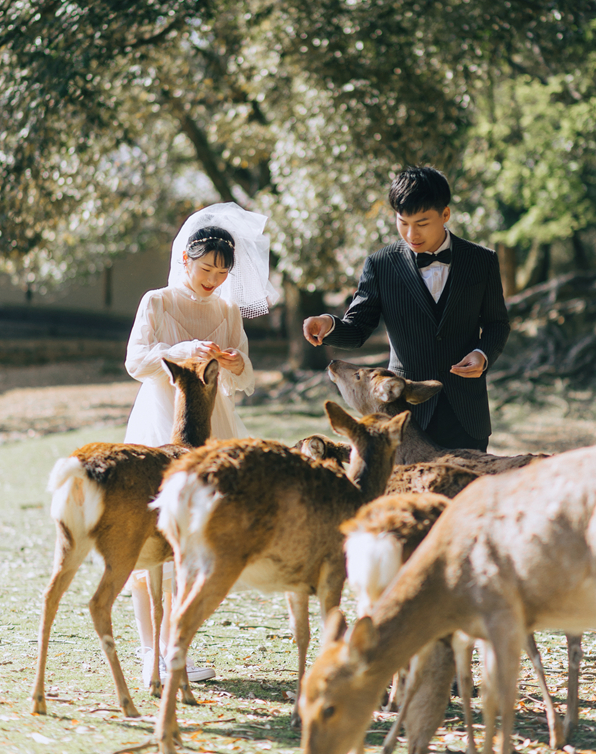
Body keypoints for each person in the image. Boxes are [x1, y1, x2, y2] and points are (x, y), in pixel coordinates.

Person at [124, 202, 277, 688]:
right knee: (149, 533)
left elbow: (246, 374)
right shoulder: (158, 302)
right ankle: (149, 648)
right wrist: (178, 351)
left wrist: (234, 364)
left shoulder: (227, 310)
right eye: (205, 267)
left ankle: (179, 645)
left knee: (200, 536)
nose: (212, 277)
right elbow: (135, 361)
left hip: (212, 420)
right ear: (184, 260)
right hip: (158, 418)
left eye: (221, 270)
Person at [303, 166, 510, 451]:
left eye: (422, 223)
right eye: (403, 222)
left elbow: (497, 323)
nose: (411, 233)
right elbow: (358, 328)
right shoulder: (380, 264)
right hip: (402, 414)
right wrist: (330, 325)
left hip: (466, 415)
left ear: (445, 215)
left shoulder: (482, 261)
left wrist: (483, 354)